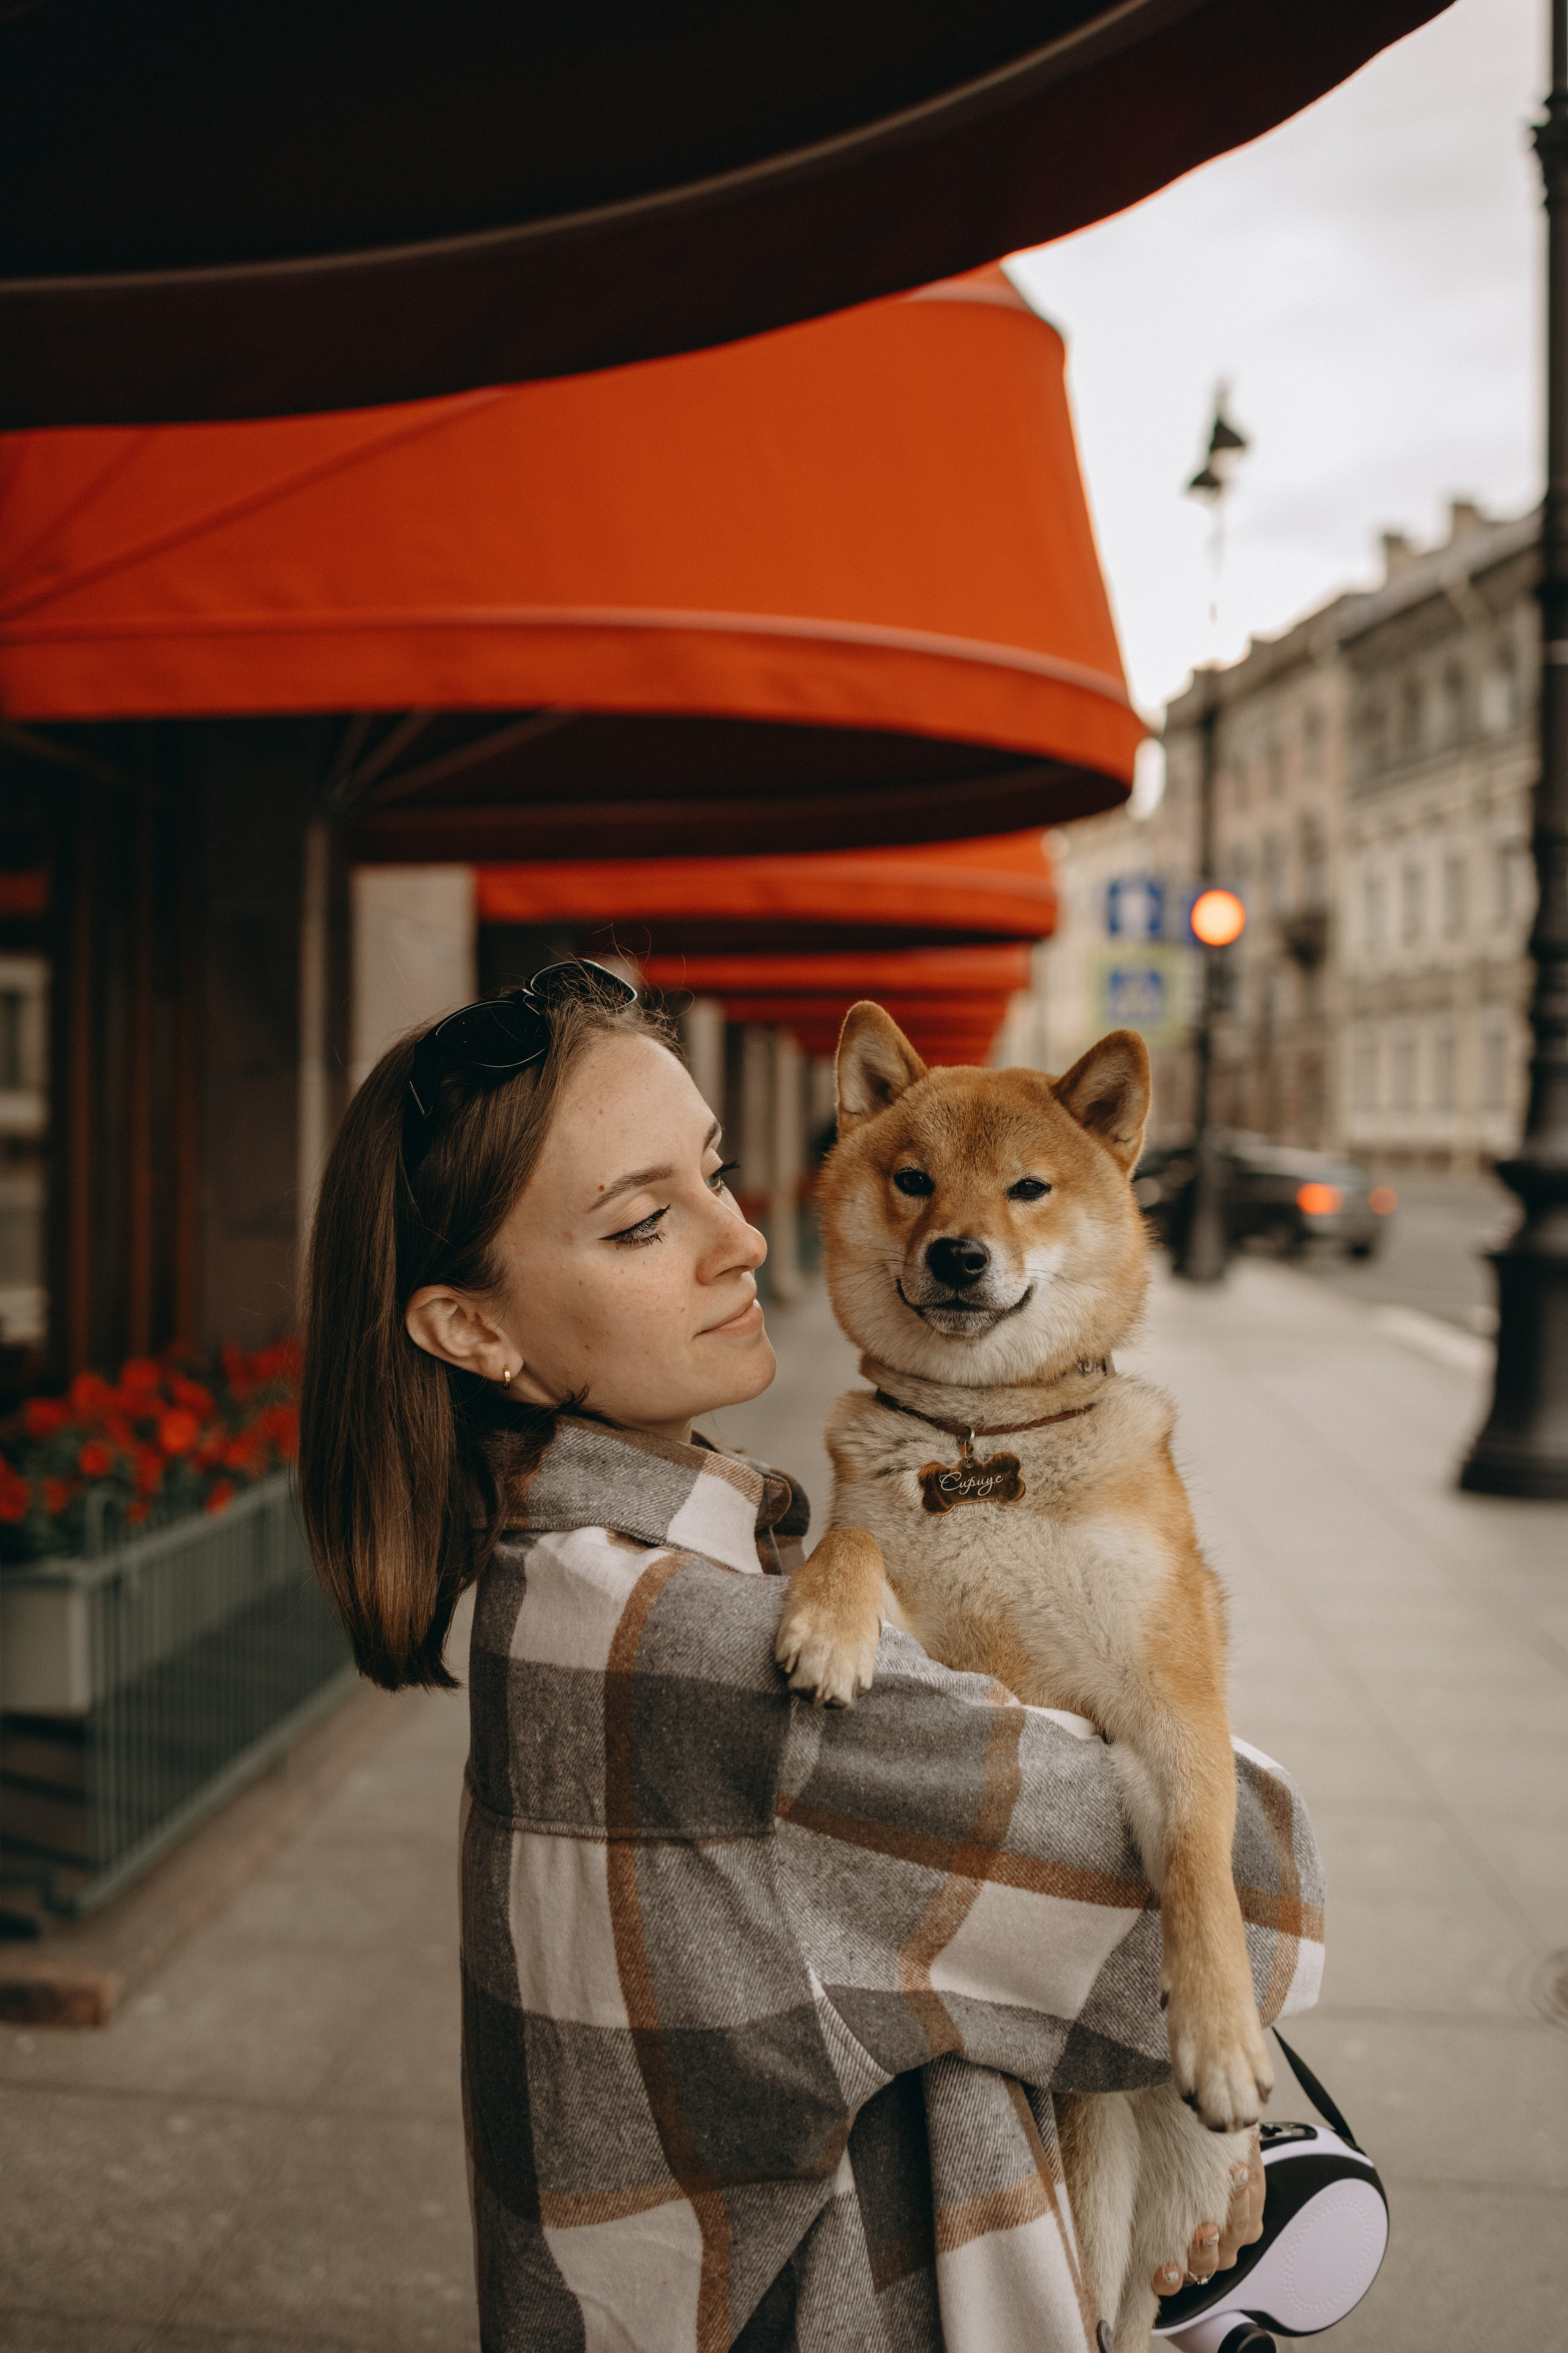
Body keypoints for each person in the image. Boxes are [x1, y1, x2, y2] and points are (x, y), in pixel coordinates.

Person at [300, 962, 1321, 2353]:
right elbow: (1254, 1898)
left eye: (716, 1172)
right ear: (472, 1328)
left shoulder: (561, 1584)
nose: (736, 1240)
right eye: (644, 1221)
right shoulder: (720, 1665)